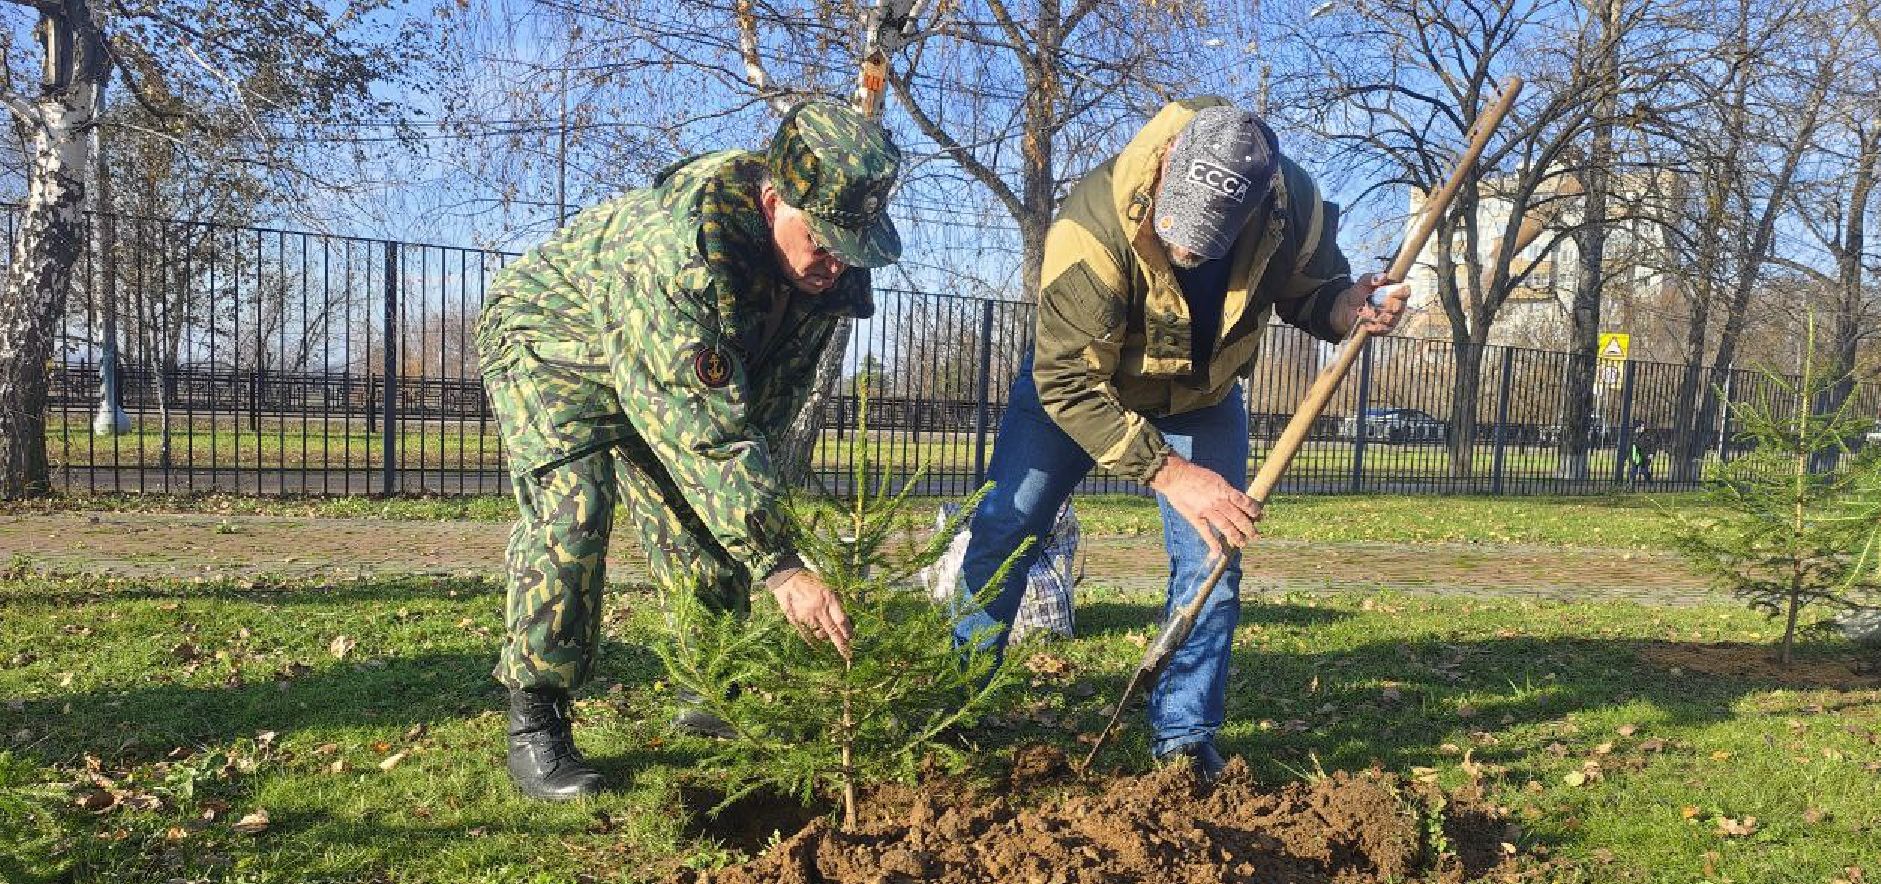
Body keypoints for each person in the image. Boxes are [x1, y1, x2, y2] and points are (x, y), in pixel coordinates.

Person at [952, 99, 1408, 781]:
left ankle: (1183, 741)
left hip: (1202, 397)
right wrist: (1168, 473)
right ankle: (950, 711)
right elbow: (1066, 384)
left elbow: (1312, 292)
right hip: (1079, 390)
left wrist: (1348, 309)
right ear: (1167, 166)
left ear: (1256, 205)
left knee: (1212, 558)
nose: (1189, 249)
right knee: (1004, 533)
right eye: (1178, 230)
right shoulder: (1091, 222)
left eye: (1210, 238)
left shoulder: (1296, 206)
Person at [474, 100, 900, 800]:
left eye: (847, 245)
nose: (833, 262)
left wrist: (751, 526)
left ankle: (711, 689)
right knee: (573, 512)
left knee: (703, 521)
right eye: (821, 240)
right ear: (772, 202)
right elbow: (703, 433)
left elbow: (754, 423)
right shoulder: (679, 259)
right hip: (549, 346)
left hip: (662, 373)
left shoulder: (825, 278)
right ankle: (535, 721)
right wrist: (783, 567)